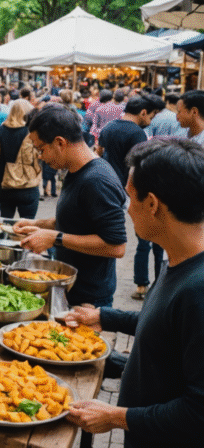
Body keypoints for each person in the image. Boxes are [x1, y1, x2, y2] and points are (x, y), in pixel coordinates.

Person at [64, 139, 204, 447]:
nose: (126, 210)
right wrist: (104, 316)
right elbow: (165, 324)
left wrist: (116, 417)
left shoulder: (198, 289)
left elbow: (198, 412)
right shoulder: (179, 259)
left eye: (130, 198)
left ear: (152, 204)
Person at [15, 104, 127, 307]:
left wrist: (55, 238)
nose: (40, 157)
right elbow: (77, 220)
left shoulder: (97, 180)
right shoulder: (75, 169)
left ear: (60, 142)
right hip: (70, 286)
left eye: (41, 149)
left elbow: (116, 246)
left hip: (89, 297)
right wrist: (38, 224)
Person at [98, 94, 165, 301]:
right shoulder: (137, 133)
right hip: (130, 190)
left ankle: (141, 284)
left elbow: (99, 152)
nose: (151, 120)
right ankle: (150, 285)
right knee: (144, 238)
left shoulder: (108, 127)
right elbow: (139, 166)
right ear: (143, 112)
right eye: (151, 116)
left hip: (109, 186)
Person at [0, 99, 39, 219]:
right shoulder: (31, 133)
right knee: (27, 225)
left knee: (5, 222)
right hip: (28, 186)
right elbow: (36, 160)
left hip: (6, 186)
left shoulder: (0, 131)